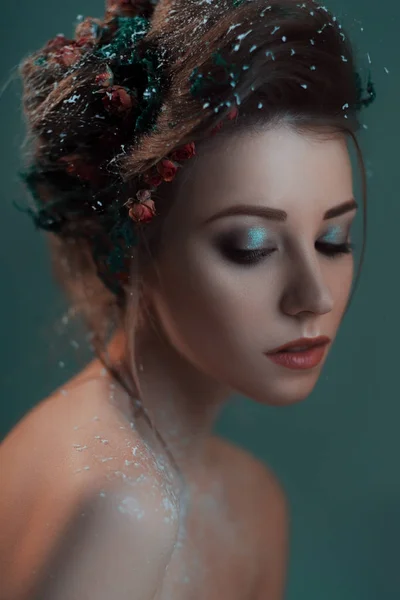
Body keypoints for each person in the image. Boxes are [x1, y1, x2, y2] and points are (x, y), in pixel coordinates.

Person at [0, 0, 376, 598]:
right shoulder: (119, 506)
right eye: (250, 246)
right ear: (132, 241)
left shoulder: (246, 496)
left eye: (333, 240)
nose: (313, 297)